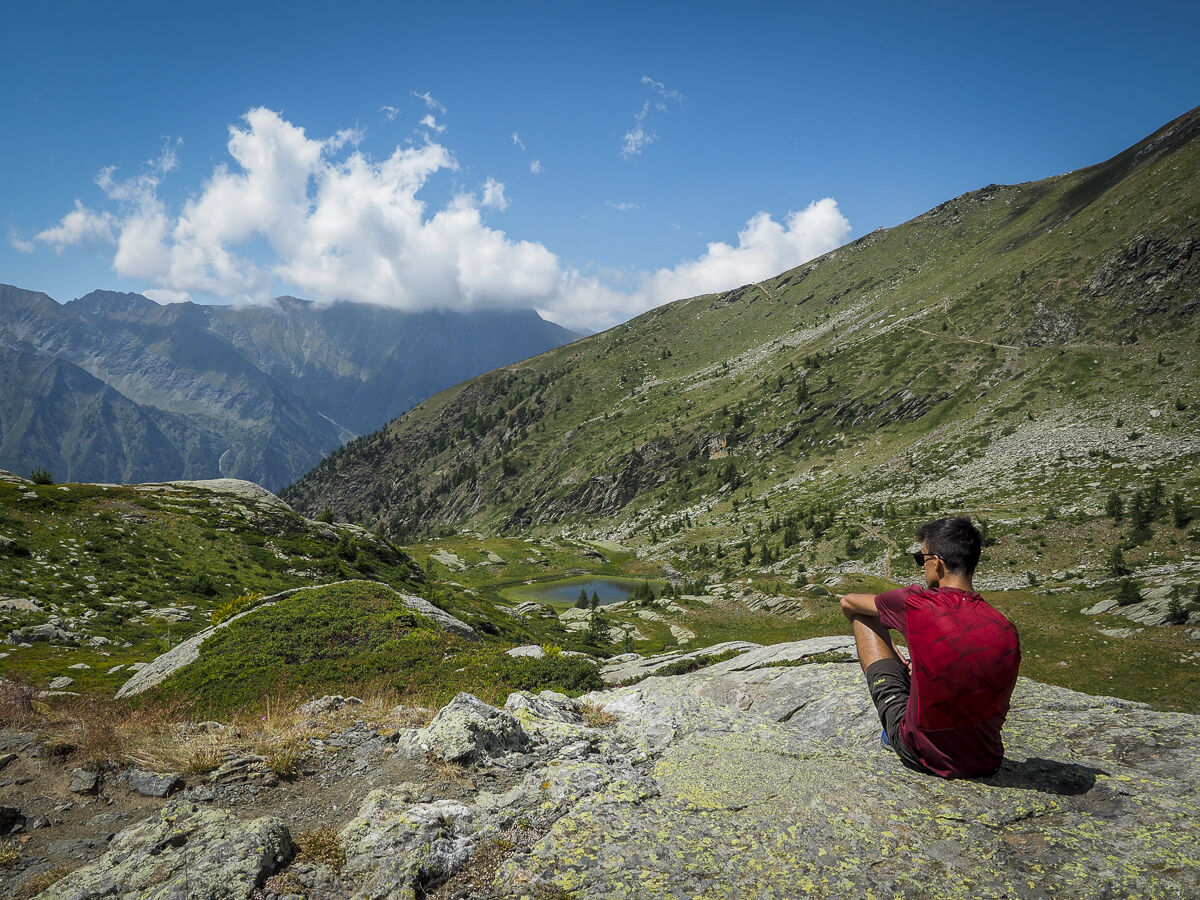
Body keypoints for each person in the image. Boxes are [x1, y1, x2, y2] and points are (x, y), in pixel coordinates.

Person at [839, 516, 1020, 778]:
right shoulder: (1004, 626)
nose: (922, 567)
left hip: (922, 753)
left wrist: (889, 644)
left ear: (936, 563)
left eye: (921, 559)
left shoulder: (915, 603)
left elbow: (849, 603)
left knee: (862, 617)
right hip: (987, 759)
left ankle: (896, 733)